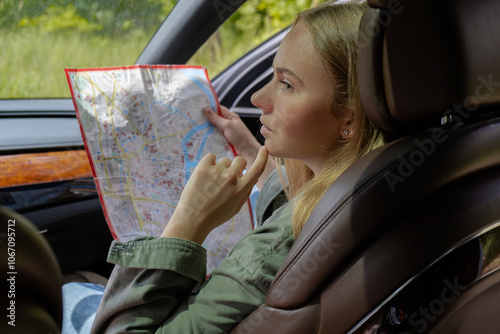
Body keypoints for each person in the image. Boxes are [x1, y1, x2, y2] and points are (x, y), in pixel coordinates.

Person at [87, 1, 387, 333]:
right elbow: (310, 197)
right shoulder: (393, 172)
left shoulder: (270, 251)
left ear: (350, 117)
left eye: (287, 84)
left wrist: (189, 221)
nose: (259, 97)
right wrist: (251, 150)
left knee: (71, 287)